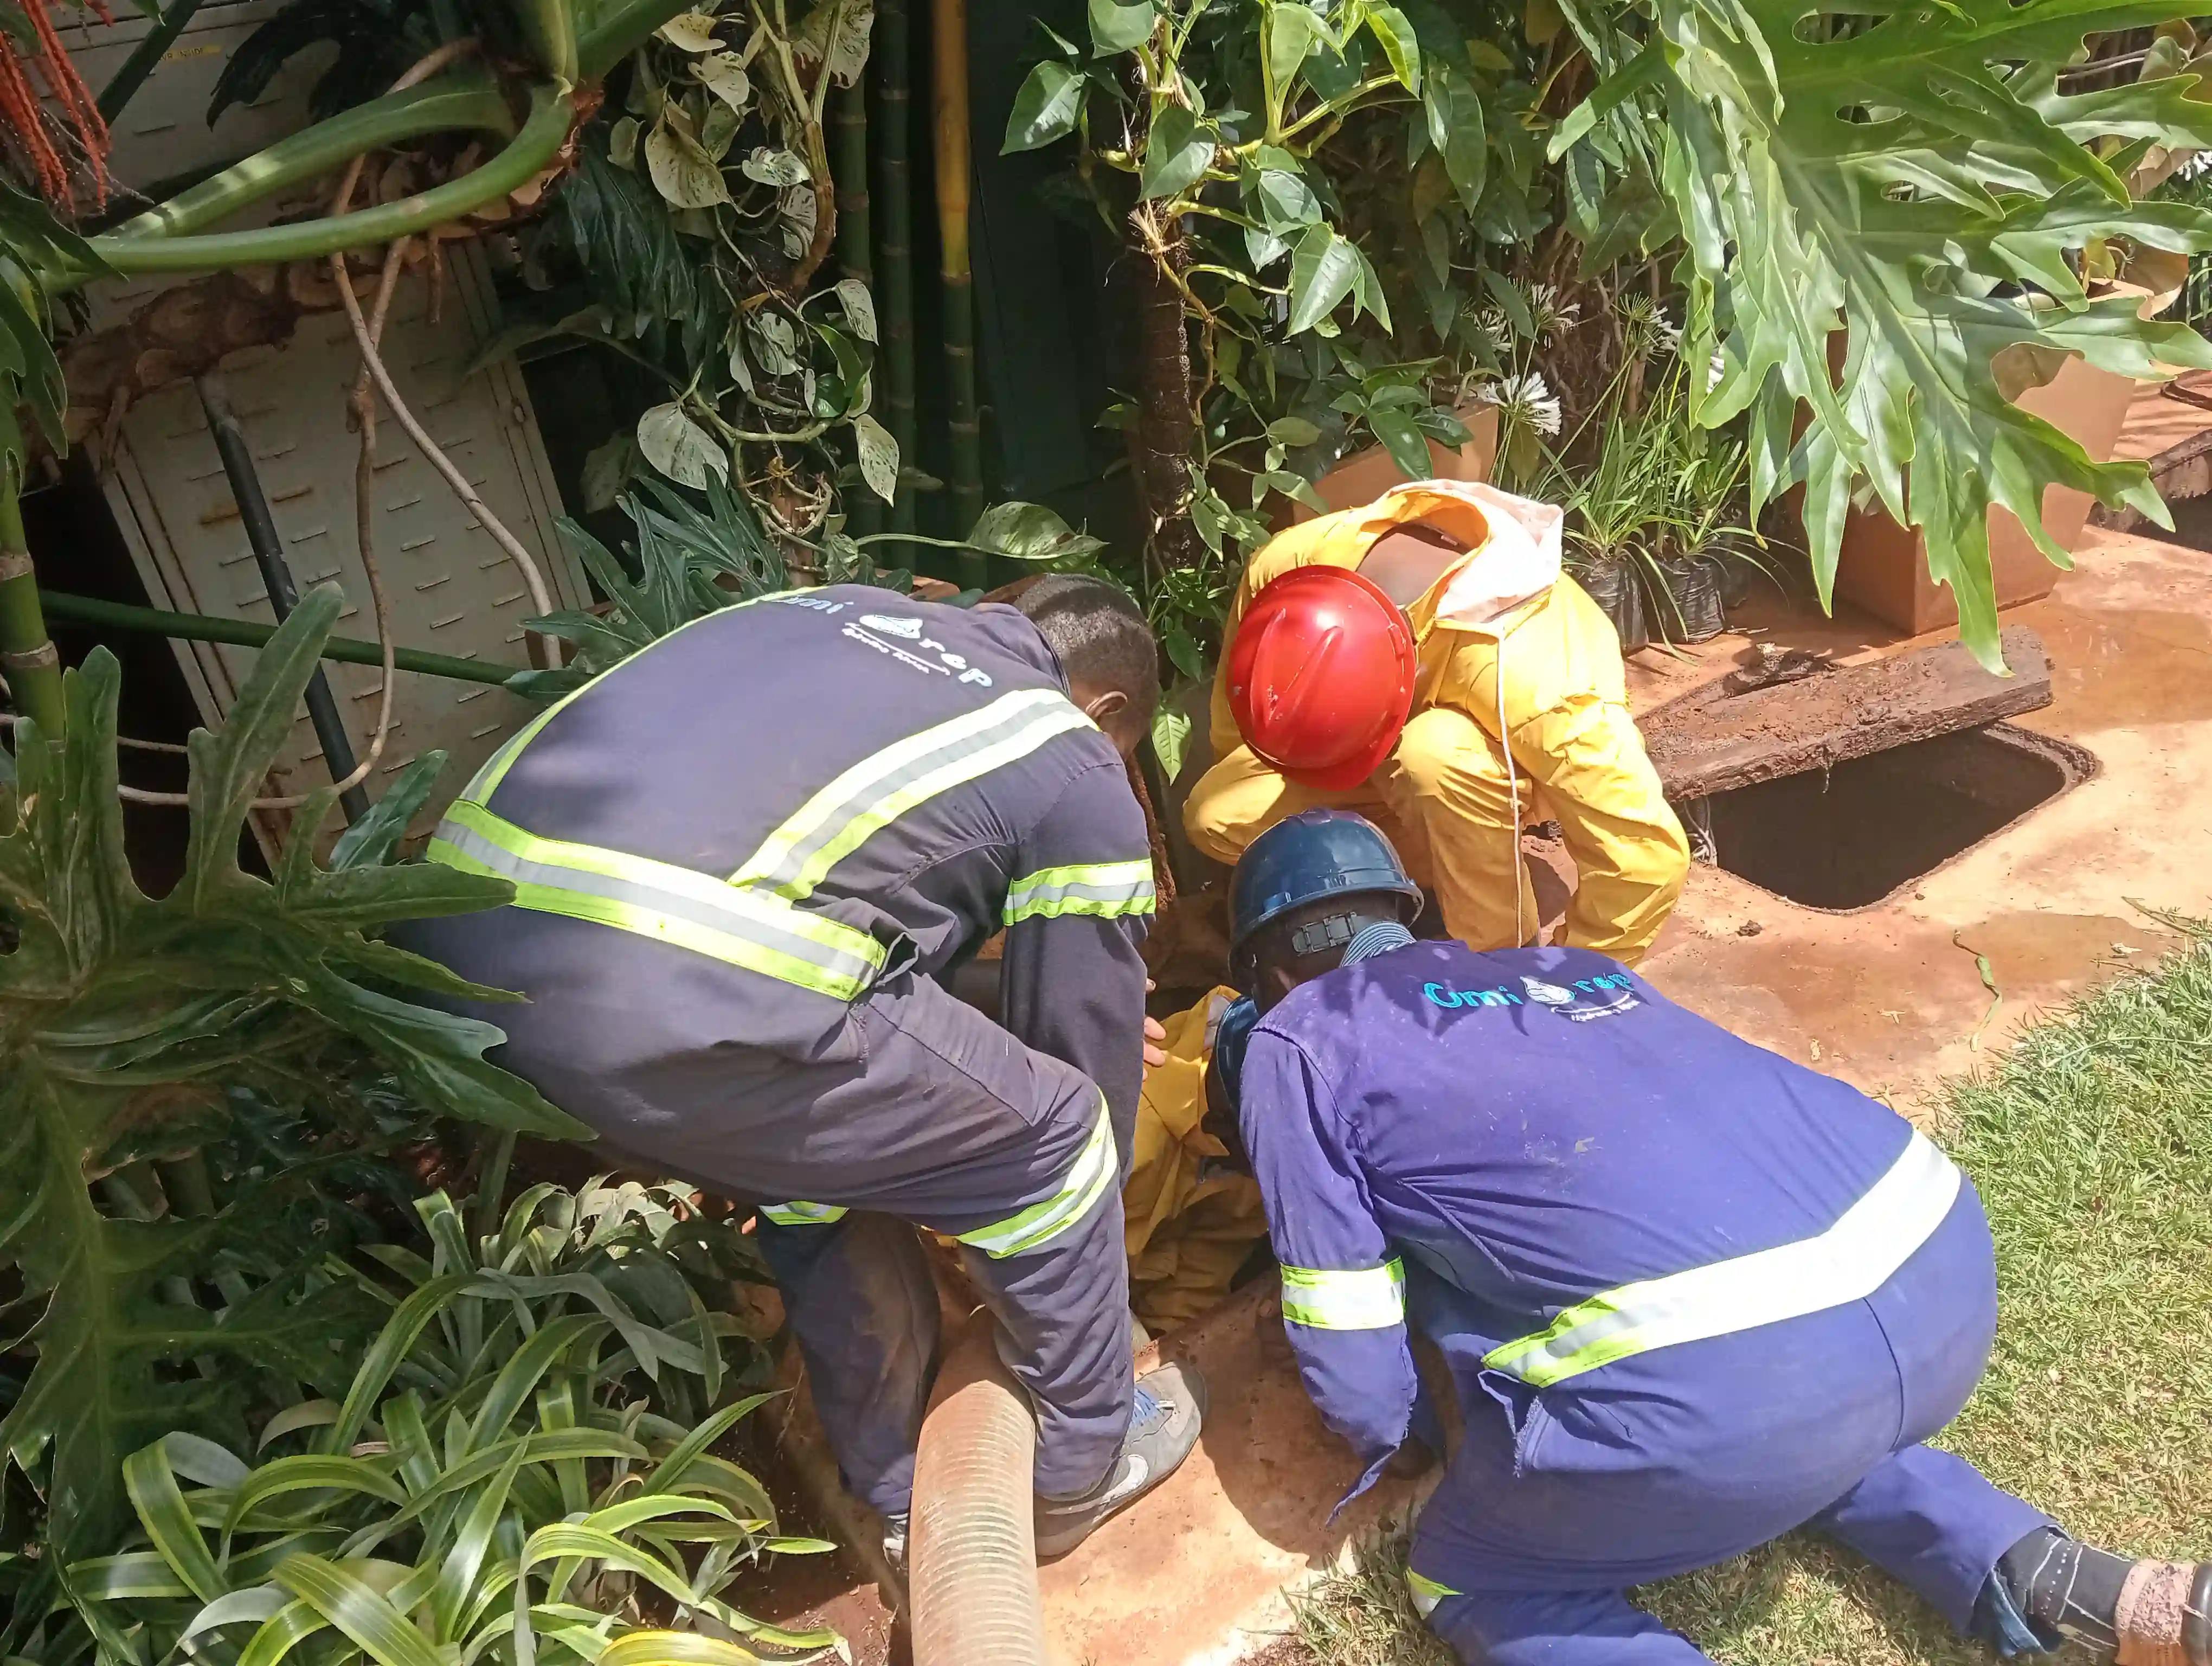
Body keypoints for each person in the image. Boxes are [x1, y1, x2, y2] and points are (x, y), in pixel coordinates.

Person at [1209, 807, 2210, 1665]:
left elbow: (1349, 1345)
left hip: (1732, 1393)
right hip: (1937, 1270)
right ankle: (2070, 1583)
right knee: (1790, 1402)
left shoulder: (1299, 1039)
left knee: (1465, 1573)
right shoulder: (1570, 968)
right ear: (1403, 916)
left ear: (1271, 972)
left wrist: (1411, 1445)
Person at [400, 575, 1204, 1561]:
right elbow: (1080, 1055)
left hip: (458, 957)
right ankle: (1087, 1460)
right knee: (1063, 1137)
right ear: (1108, 710)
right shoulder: (1065, 750)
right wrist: (1069, 1223)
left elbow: (855, 905)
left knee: (810, 1171)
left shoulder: (836, 610)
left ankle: (905, 1492)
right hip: (684, 992)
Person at [1182, 480, 1688, 965]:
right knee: (1220, 817)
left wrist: (1566, 980)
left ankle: (1496, 954)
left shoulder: (1536, 680)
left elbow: (1645, 860)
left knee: (1436, 754)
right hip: (1383, 761)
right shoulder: (1290, 572)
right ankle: (1416, 881)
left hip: (1487, 763)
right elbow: (1241, 735)